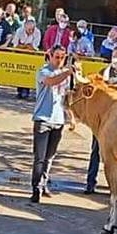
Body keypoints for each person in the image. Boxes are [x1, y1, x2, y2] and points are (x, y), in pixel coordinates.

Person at [31, 45, 73, 204]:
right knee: (40, 157)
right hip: (42, 118)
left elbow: (65, 98)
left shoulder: (65, 75)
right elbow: (50, 81)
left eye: (62, 57)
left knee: (50, 157)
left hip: (58, 120)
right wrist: (66, 73)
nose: (60, 60)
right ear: (49, 56)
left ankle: (43, 183)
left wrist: (71, 117)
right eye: (57, 56)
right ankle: (36, 187)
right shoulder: (43, 71)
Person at [86, 47, 117, 194]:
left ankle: (116, 186)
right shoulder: (102, 73)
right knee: (96, 151)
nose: (116, 59)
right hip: (102, 121)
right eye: (114, 56)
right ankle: (90, 183)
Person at [12, 16, 42, 100]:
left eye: (32, 29)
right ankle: (19, 91)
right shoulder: (19, 31)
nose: (31, 31)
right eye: (29, 30)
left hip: (31, 56)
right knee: (19, 72)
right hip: (19, 54)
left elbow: (35, 47)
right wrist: (26, 46)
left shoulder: (37, 32)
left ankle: (26, 91)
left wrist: (23, 46)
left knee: (28, 73)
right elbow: (15, 45)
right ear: (25, 27)